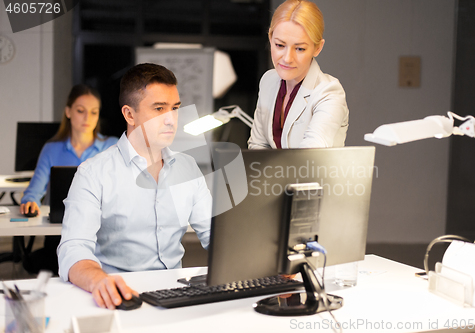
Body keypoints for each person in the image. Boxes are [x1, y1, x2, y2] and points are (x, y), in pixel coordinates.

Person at [57, 63, 212, 310]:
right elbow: (73, 248)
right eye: (159, 109)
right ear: (129, 115)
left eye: (175, 108)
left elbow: (217, 235)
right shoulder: (93, 172)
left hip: (177, 297)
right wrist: (99, 281)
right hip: (120, 296)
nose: (171, 119)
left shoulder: (188, 167)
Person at [19, 84, 118, 275]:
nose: (87, 118)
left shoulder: (112, 146)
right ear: (68, 112)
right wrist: (30, 201)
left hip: (102, 233)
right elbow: (33, 191)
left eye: (93, 112)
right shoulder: (52, 149)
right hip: (61, 232)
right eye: (81, 111)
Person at [248, 0, 349, 149]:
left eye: (300, 49)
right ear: (270, 39)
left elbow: (310, 156)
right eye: (280, 45)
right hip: (269, 172)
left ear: (317, 48)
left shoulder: (329, 92)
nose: (287, 58)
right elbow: (257, 145)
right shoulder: (268, 81)